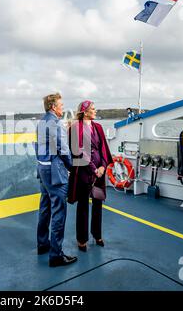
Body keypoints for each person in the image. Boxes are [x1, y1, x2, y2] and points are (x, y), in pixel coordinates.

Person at [35, 93, 78, 267]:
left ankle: (43, 244)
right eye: (61, 104)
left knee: (45, 207)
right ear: (53, 106)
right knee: (59, 212)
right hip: (55, 172)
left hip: (43, 169)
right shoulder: (56, 124)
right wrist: (72, 168)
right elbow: (63, 150)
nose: (62, 107)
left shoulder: (41, 122)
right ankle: (56, 255)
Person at [67, 100, 113, 252]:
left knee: (98, 202)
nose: (95, 110)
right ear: (85, 111)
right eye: (93, 109)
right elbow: (79, 151)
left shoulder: (98, 127)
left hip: (99, 172)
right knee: (83, 206)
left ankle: (97, 234)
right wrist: (94, 169)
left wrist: (103, 166)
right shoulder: (75, 128)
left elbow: (104, 149)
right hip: (83, 172)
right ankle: (82, 239)